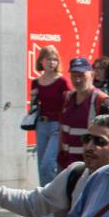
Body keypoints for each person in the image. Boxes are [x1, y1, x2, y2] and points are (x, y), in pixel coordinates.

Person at [0, 113, 109, 217]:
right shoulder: (75, 174)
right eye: (87, 139)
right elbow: (32, 203)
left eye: (100, 142)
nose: (89, 146)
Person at [57, 57, 109, 172]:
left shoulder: (101, 100)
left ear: (92, 75)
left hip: (90, 165)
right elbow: (62, 129)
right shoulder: (68, 98)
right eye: (74, 76)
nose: (77, 80)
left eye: (81, 75)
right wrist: (59, 155)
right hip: (66, 164)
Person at [29, 45, 68, 184]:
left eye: (54, 59)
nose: (52, 62)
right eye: (48, 59)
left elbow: (69, 102)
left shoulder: (62, 81)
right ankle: (44, 193)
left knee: (48, 164)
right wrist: (33, 99)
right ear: (41, 61)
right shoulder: (36, 82)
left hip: (57, 125)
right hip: (41, 124)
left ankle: (53, 192)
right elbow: (34, 106)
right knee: (41, 164)